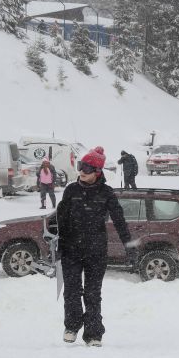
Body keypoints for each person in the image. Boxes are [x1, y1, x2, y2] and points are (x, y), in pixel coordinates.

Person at [57, 146, 137, 347]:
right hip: (71, 250)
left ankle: (93, 333)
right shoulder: (71, 190)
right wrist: (59, 244)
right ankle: (72, 325)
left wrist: (129, 246)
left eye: (88, 168)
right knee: (72, 290)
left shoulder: (107, 193)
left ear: (98, 172)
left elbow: (119, 221)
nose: (83, 171)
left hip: (96, 250)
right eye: (81, 166)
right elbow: (61, 220)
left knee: (93, 293)